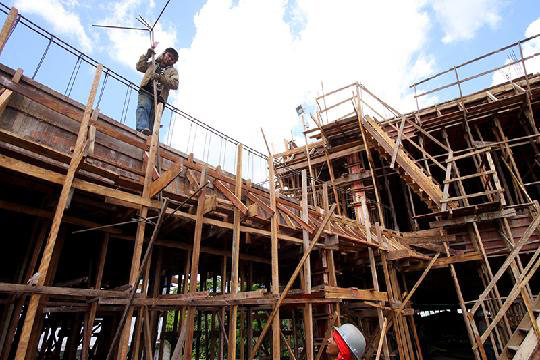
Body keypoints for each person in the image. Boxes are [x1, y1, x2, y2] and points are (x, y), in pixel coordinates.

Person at [135, 42, 179, 135]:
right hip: (146, 91)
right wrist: (147, 55)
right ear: (164, 54)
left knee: (154, 118)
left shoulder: (173, 71)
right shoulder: (154, 63)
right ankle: (142, 129)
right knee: (143, 107)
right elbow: (139, 67)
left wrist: (160, 78)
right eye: (169, 55)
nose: (169, 59)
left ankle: (149, 137)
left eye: (172, 59)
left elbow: (174, 84)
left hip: (159, 98)